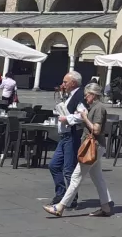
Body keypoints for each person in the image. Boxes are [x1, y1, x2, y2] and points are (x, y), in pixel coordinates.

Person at [43, 83, 112, 217]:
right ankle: (106, 207)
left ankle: (60, 207)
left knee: (75, 177)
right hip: (96, 146)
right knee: (98, 178)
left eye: (87, 95)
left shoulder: (99, 108)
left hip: (93, 146)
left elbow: (96, 130)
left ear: (93, 95)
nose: (85, 98)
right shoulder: (94, 108)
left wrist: (85, 118)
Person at [49, 70, 84, 208]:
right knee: (54, 165)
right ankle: (61, 193)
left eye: (65, 82)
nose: (63, 84)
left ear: (73, 83)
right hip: (64, 136)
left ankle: (72, 198)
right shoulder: (70, 95)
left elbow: (83, 115)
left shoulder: (80, 95)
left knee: (69, 169)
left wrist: (67, 118)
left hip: (72, 136)